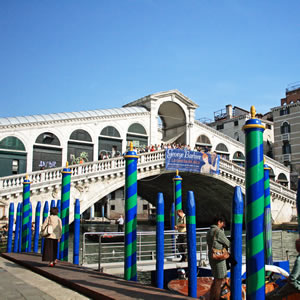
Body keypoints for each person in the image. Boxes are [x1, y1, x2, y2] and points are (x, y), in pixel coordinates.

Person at [206, 215, 230, 300]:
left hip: (212, 256)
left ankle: (212, 296)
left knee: (216, 278)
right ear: (219, 222)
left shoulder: (209, 231)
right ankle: (215, 298)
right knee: (219, 279)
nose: (223, 225)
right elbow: (228, 243)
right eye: (222, 223)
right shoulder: (218, 232)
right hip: (219, 257)